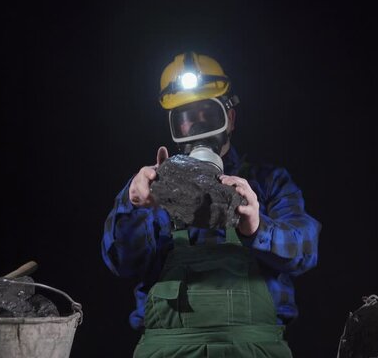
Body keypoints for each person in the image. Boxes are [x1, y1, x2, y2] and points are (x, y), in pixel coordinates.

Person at [102, 51, 321, 357]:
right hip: (169, 349)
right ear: (174, 128)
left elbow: (305, 251)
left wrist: (257, 227)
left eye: (208, 112)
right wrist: (134, 205)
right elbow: (121, 262)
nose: (197, 124)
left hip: (255, 349)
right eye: (186, 117)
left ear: (229, 117)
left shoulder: (269, 182)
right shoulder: (150, 188)